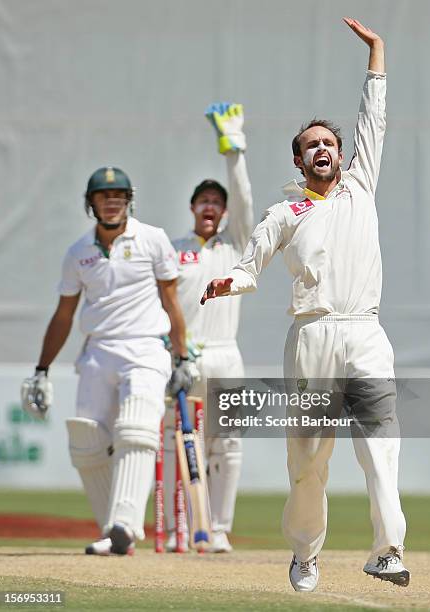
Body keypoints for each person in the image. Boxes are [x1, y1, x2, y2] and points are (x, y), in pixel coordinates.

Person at [201, 18, 409, 589]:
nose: (322, 149)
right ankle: (306, 552)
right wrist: (230, 284)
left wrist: (377, 55)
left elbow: (375, 121)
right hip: (312, 339)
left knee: (380, 446)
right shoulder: (285, 212)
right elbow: (252, 262)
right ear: (299, 162)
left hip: (364, 333)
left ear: (342, 155)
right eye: (311, 145)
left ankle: (388, 550)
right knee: (309, 461)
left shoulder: (361, 183)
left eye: (329, 143)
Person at [21, 166, 191, 555]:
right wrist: (41, 370)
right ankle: (112, 534)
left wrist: (182, 356)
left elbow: (172, 302)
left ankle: (124, 526)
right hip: (98, 351)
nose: (111, 202)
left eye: (118, 196)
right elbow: (63, 315)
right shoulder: (78, 253)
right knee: (86, 441)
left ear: (129, 200)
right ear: (91, 203)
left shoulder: (152, 239)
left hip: (147, 347)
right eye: (103, 197)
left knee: (135, 428)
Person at [164, 103, 253, 552]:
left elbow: (244, 199)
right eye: (205, 203)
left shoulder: (235, 244)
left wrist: (234, 150)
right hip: (184, 357)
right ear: (193, 207)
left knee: (228, 443)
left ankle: (218, 528)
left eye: (218, 204)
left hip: (225, 353)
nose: (212, 209)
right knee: (181, 443)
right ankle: (180, 527)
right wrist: (170, 346)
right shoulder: (174, 249)